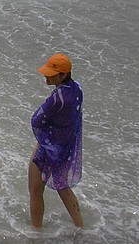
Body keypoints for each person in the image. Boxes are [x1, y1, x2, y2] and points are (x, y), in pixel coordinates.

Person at [28, 54, 84, 228]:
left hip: (49, 147)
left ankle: (36, 233)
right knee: (63, 187)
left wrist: (45, 139)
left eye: (52, 73)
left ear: (63, 75)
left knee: (35, 191)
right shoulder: (77, 88)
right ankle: (81, 227)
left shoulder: (58, 98)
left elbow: (36, 119)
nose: (46, 75)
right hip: (65, 147)